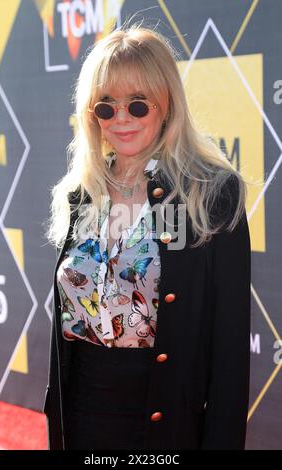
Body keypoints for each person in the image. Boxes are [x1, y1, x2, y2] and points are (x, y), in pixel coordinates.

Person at [43, 23, 251, 450]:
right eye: (106, 107)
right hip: (81, 417)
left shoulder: (209, 193)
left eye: (138, 105)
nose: (121, 119)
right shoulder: (80, 193)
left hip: (164, 422)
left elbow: (229, 353)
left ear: (166, 104)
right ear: (90, 115)